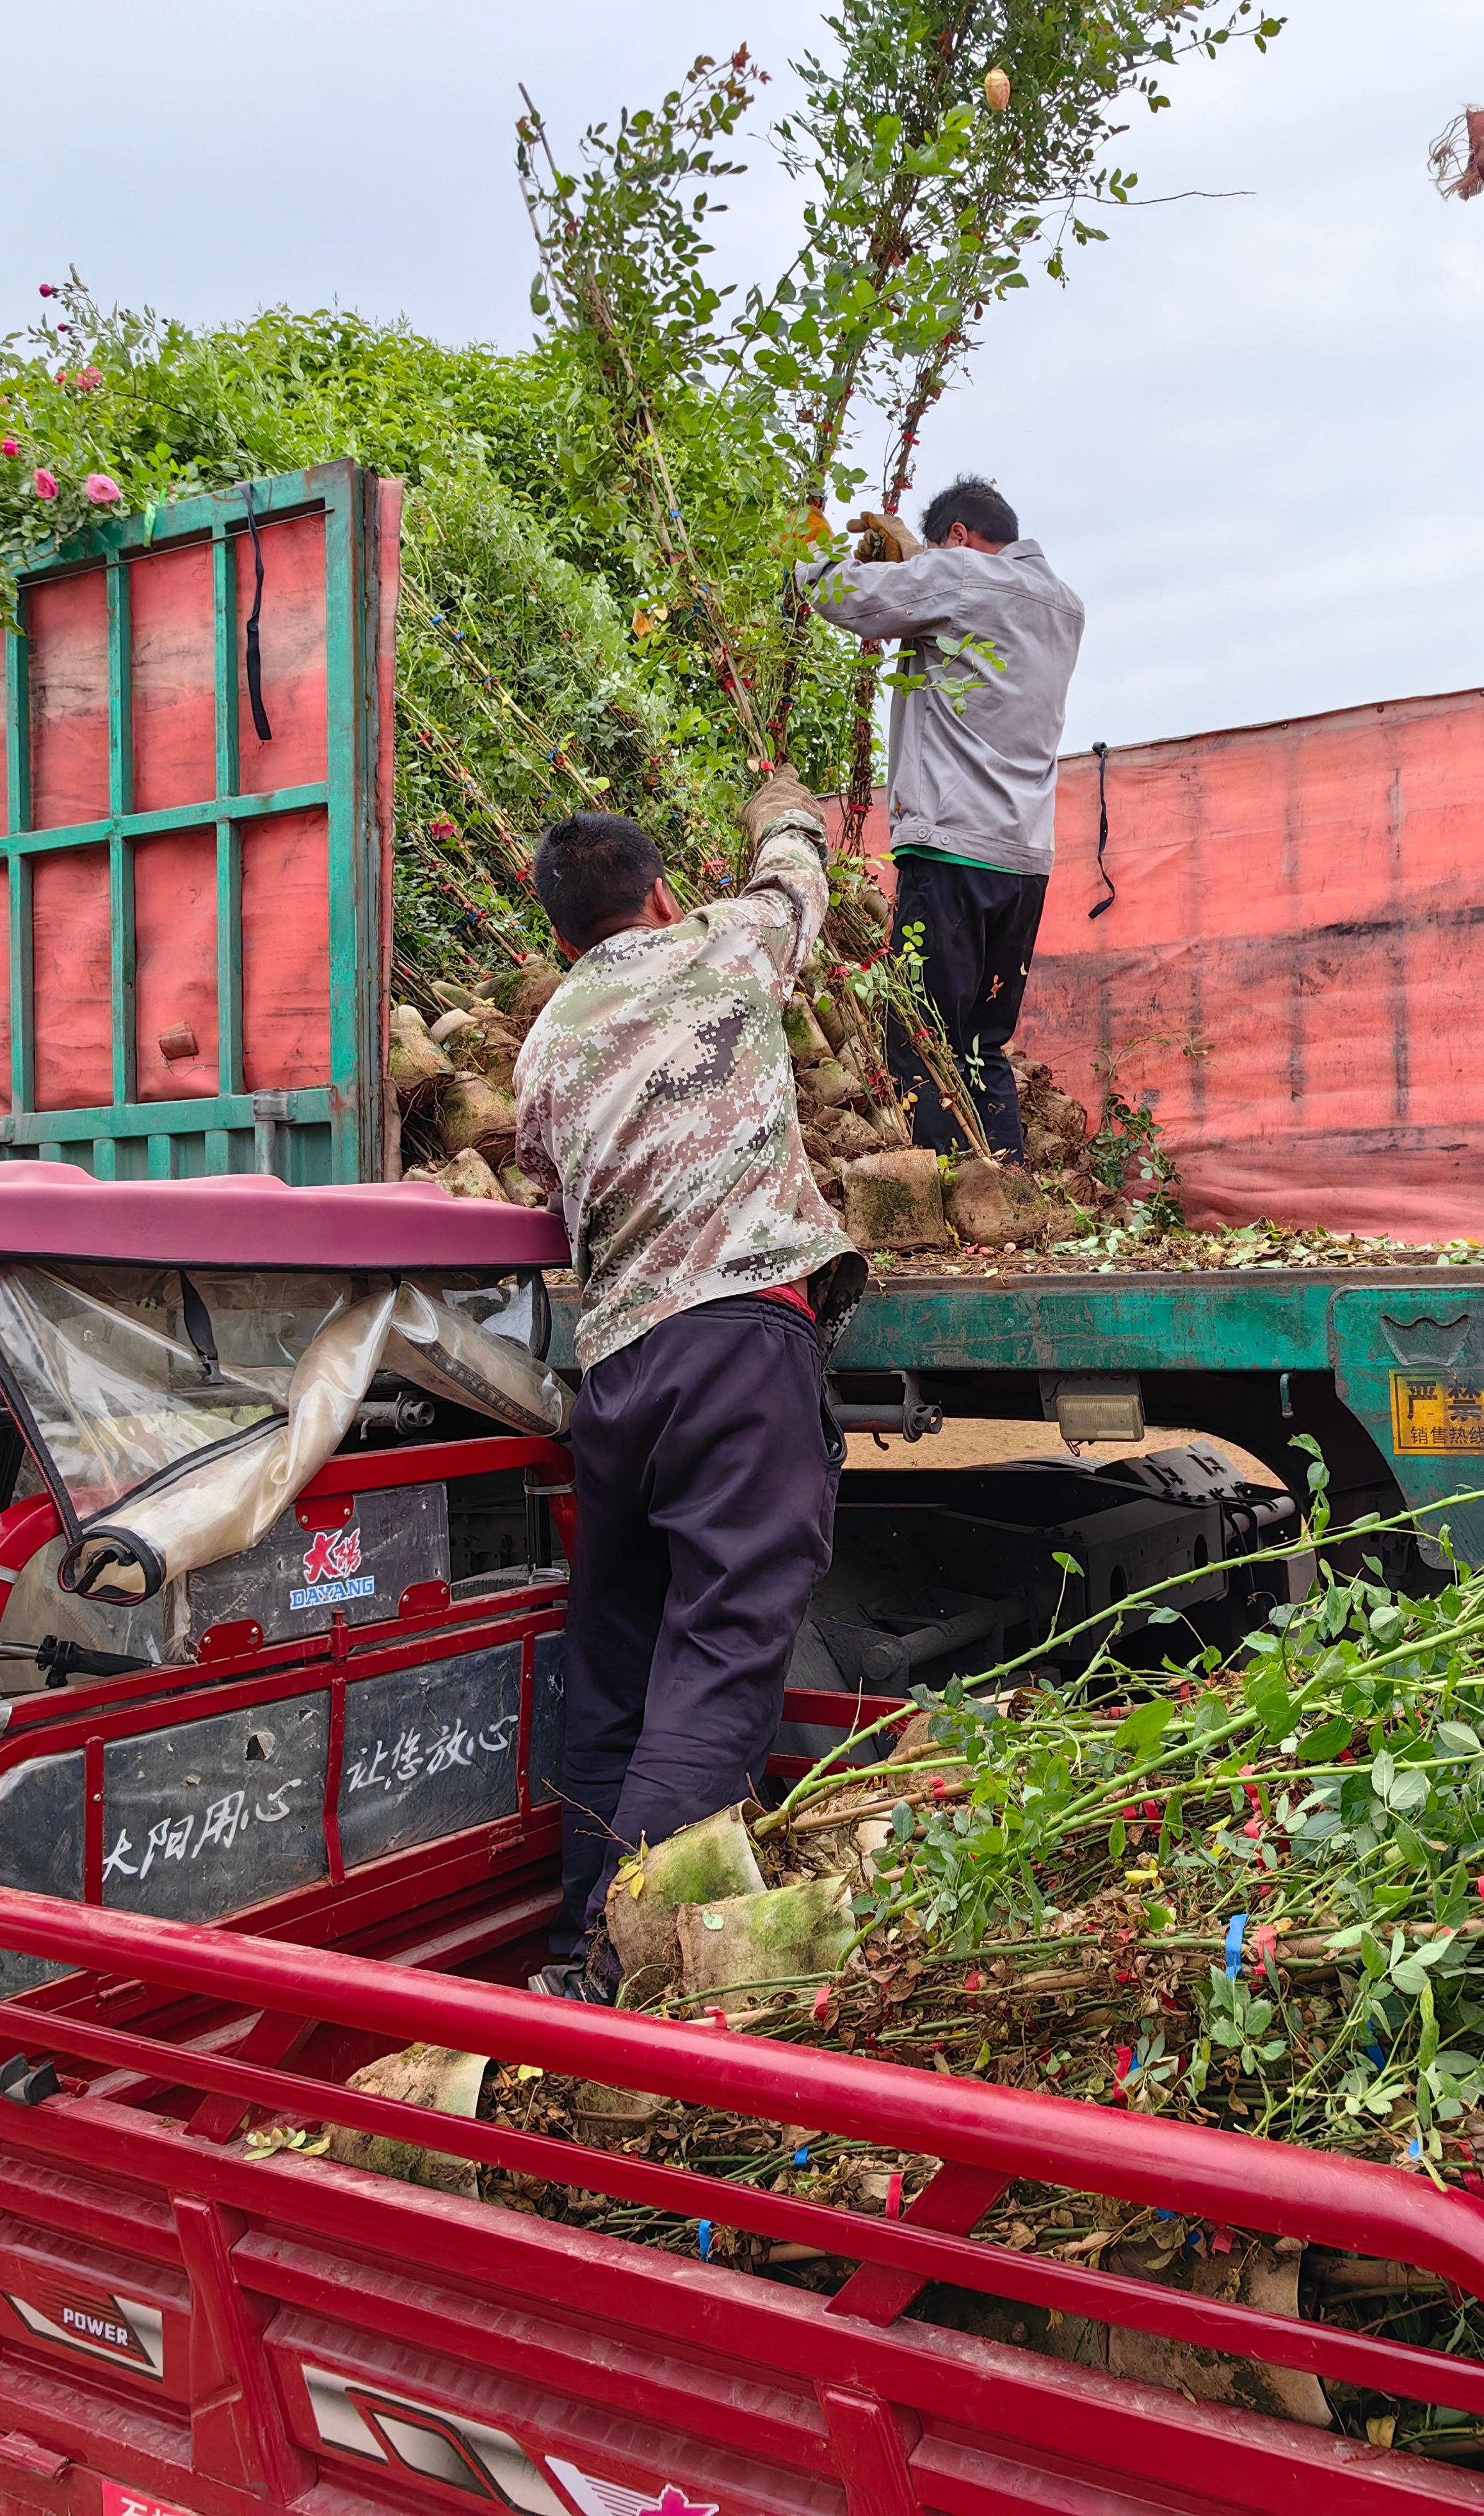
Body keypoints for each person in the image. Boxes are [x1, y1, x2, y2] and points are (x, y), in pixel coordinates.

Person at [510, 777, 864, 2002]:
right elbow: (796, 884)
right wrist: (788, 811)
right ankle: (629, 1983)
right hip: (733, 1349)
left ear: (559, 937)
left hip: (615, 1377)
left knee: (617, 1665)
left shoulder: (546, 1038)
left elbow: (550, 1196)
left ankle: (572, 1951)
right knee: (718, 1659)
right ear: (663, 894)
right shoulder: (726, 941)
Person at [800, 473, 1083, 1160]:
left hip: (954, 848)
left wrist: (802, 540)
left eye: (937, 549)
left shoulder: (962, 574)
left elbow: (842, 597)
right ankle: (1007, 1194)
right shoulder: (1063, 604)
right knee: (985, 1044)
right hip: (1025, 857)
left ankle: (952, 1195)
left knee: (923, 1034)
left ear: (958, 537)